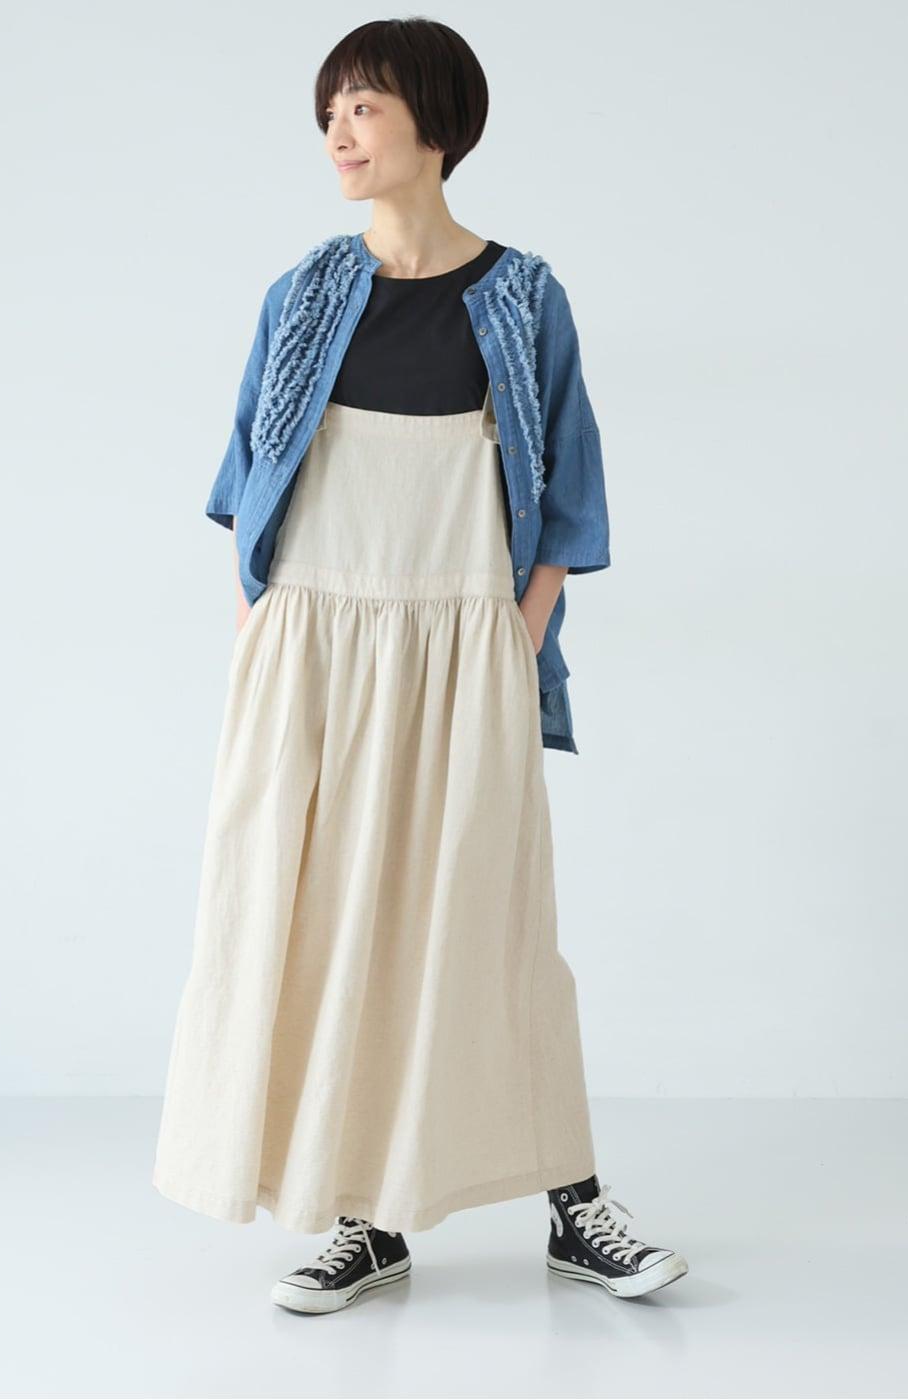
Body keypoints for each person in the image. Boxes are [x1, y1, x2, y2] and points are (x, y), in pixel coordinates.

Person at [153, 16, 689, 1314]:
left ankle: (575, 1206)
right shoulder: (303, 294)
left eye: (364, 107)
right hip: (310, 645)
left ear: (435, 122)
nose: (339, 134)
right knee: (319, 922)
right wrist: (262, 641)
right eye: (329, 113)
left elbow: (569, 497)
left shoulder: (522, 295)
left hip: (464, 641)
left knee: (493, 925)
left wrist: (518, 636)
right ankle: (366, 1218)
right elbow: (246, 482)